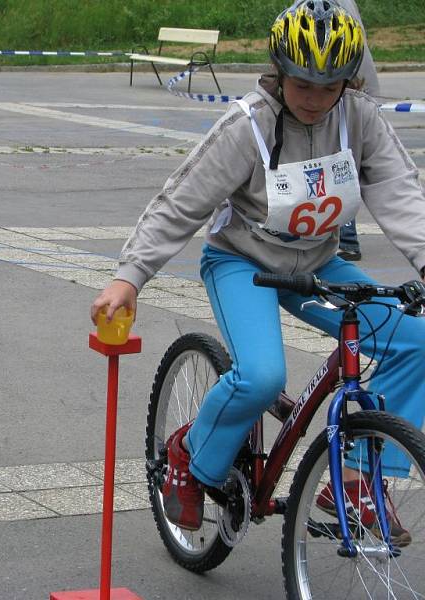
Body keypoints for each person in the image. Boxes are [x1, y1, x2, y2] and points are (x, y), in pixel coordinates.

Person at [91, 0, 425, 539]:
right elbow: (183, 202)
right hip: (241, 261)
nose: (315, 100)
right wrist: (129, 274)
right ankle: (189, 453)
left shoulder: (359, 118)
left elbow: (398, 191)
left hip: (317, 264)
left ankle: (363, 481)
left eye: (330, 86)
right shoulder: (246, 125)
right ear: (279, 71)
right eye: (302, 85)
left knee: (416, 340)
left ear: (350, 81)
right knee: (263, 375)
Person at [337, 0, 379, 261]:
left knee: (342, 165)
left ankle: (348, 237)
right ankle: (345, 237)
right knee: (343, 165)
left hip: (348, 89)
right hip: (351, 87)